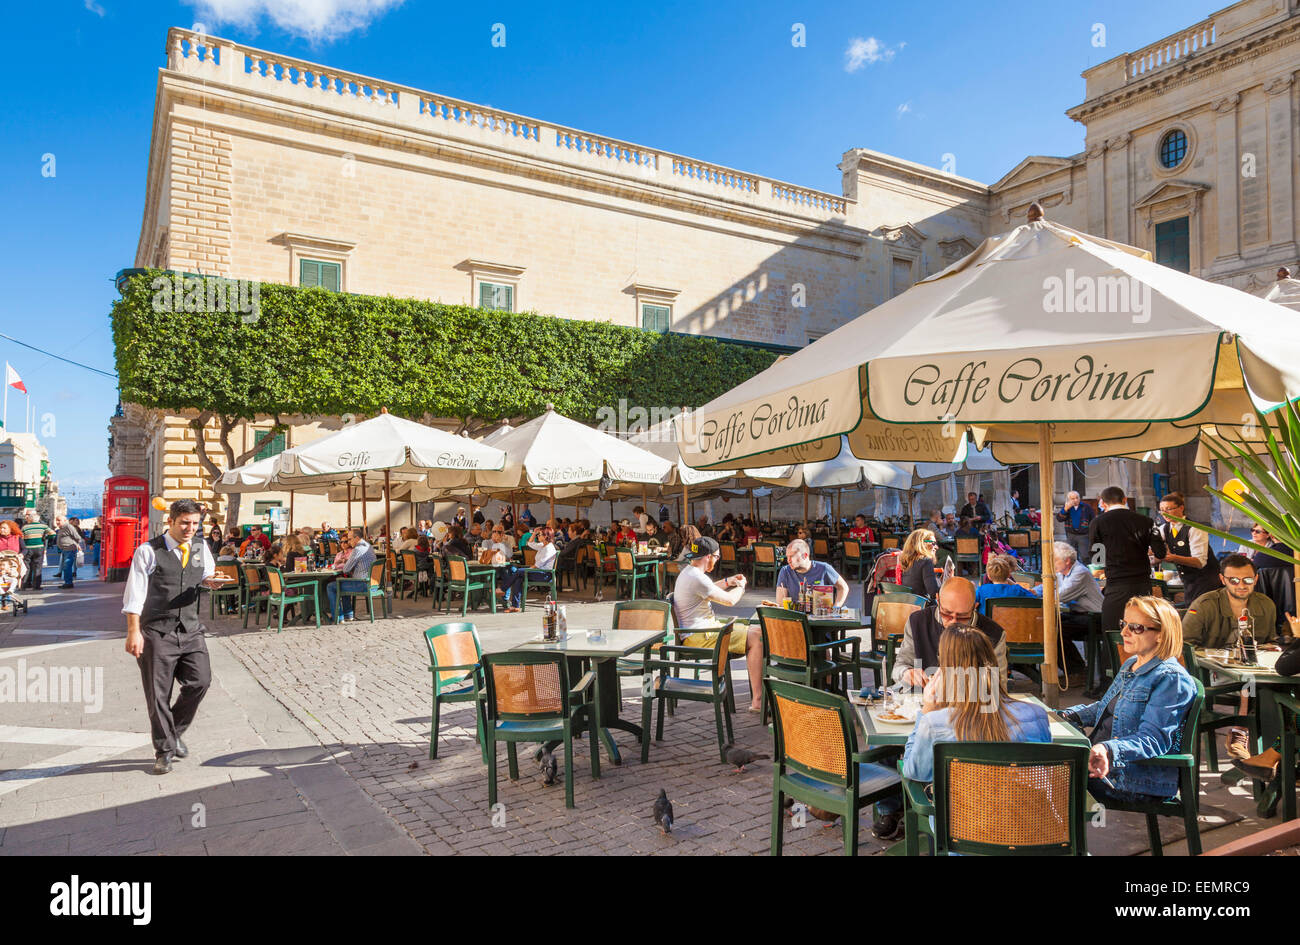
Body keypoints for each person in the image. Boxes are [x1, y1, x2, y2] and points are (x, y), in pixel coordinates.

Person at [871, 625, 1052, 841]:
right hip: (1032, 833)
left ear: (946, 667)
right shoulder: (1037, 715)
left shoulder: (936, 723)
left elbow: (913, 770)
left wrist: (926, 711)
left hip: (964, 836)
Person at [1058, 596, 1197, 808]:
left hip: (1133, 780)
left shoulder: (1171, 679)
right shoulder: (1132, 662)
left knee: (1042, 777)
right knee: (1034, 762)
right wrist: (1067, 715)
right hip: (1103, 767)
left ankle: (1056, 838)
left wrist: (1107, 749)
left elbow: (1154, 739)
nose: (1124, 633)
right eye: (1124, 624)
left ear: (1161, 634)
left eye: (1136, 628)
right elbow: (1107, 707)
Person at [123, 499, 226, 775]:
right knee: (158, 695)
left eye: (194, 523)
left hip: (191, 629)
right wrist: (134, 632)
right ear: (170, 521)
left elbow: (205, 575)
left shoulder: (200, 546)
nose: (190, 528)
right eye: (184, 523)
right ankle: (164, 751)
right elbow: (135, 594)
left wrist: (211, 581)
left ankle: (173, 732)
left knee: (200, 682)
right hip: (156, 631)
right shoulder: (148, 551)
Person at [673, 536, 765, 712]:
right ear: (708, 556)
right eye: (716, 557)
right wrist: (741, 586)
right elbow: (730, 601)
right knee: (757, 638)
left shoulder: (689, 572)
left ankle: (758, 695)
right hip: (699, 636)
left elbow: (708, 589)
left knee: (756, 630)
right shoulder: (696, 578)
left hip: (700, 632)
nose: (716, 561)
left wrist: (729, 581)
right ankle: (758, 701)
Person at [892, 577, 1008, 687]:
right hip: (923, 700)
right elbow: (898, 668)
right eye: (946, 614)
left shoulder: (994, 634)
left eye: (962, 617)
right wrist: (906, 673)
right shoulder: (917, 622)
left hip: (972, 704)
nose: (954, 622)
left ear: (975, 607)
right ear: (938, 600)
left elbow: (999, 685)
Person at [1089, 486, 1166, 638]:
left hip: (1116, 585)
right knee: (1142, 633)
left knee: (1114, 634)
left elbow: (1096, 558)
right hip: (1142, 586)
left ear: (1103, 503)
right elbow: (1161, 553)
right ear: (1124, 500)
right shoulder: (1147, 521)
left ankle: (1114, 662)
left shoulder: (1097, 523)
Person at [1033, 541, 1104, 677]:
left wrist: (1037, 596)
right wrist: (1032, 592)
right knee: (1045, 625)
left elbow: (1059, 596)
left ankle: (1077, 671)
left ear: (1067, 561)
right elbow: (1046, 586)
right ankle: (1073, 669)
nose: (1052, 563)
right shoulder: (1062, 572)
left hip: (1094, 617)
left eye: (1055, 560)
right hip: (1078, 614)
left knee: (1053, 631)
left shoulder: (1080, 573)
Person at [1181, 554, 1277, 649]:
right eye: (1234, 580)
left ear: (1255, 579)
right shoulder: (1204, 605)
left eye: (1248, 580)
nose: (1241, 586)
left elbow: (1271, 642)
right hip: (1207, 663)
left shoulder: (1266, 605)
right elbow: (1184, 645)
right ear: (1223, 579)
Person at [1154, 492, 1219, 604]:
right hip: (1188, 581)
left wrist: (1173, 558)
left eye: (1169, 509)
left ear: (1181, 508)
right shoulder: (1164, 528)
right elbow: (1155, 549)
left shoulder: (1195, 529)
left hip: (1206, 581)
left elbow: (1199, 562)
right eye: (1161, 510)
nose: (1164, 513)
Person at [774, 539, 849, 608]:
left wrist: (836, 607)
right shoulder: (785, 571)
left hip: (820, 617)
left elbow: (843, 587)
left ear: (805, 555)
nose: (788, 560)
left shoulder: (824, 568)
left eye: (792, 556)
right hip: (796, 618)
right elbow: (781, 604)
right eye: (787, 557)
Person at [501, 526, 557, 612]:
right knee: (518, 577)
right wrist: (534, 533)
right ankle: (515, 606)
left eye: (540, 534)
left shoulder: (549, 548)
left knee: (519, 572)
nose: (538, 536)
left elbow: (538, 564)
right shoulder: (543, 545)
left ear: (546, 536)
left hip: (545, 574)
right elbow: (530, 544)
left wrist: (528, 569)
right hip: (539, 571)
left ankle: (503, 589)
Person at [325, 527, 375, 622]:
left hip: (363, 584)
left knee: (331, 586)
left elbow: (346, 570)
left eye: (349, 539)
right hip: (373, 584)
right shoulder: (368, 546)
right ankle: (348, 615)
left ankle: (338, 617)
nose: (348, 542)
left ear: (356, 538)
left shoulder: (357, 550)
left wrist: (343, 563)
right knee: (343, 583)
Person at [898, 529, 940, 599]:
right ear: (922, 544)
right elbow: (934, 594)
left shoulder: (905, 560)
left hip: (908, 604)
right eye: (933, 543)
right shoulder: (926, 561)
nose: (936, 547)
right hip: (922, 605)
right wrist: (948, 582)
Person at [1056, 491, 1095, 565]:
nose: (1075, 500)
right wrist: (1065, 509)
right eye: (1073, 498)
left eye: (1077, 498)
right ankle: (1075, 573)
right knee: (1072, 556)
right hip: (1071, 535)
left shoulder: (1086, 507)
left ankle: (1088, 573)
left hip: (1083, 535)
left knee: (1085, 556)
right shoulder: (1066, 508)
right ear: (1069, 500)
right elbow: (1059, 519)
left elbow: (1093, 520)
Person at [21, 511, 52, 590]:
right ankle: (36, 586)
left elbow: (21, 537)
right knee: (38, 567)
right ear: (38, 519)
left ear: (30, 519)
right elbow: (53, 533)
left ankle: (24, 585)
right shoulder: (43, 526)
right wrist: (44, 538)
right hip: (39, 548)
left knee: (26, 567)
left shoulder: (25, 527)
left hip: (28, 548)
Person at [54, 515, 85, 589]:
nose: (57, 522)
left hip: (69, 549)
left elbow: (77, 537)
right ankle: (67, 582)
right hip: (64, 550)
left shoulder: (68, 527)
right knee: (65, 567)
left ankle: (68, 583)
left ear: (65, 520)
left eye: (59, 520)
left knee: (67, 566)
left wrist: (78, 545)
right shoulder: (61, 528)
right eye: (56, 520)